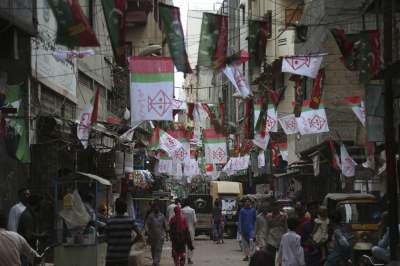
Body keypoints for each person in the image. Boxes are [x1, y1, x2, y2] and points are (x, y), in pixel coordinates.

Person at [105, 198, 142, 266]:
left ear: (116, 208)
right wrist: (130, 243)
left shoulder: (109, 221)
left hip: (111, 256)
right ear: (125, 209)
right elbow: (140, 235)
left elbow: (106, 238)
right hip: (123, 257)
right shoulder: (130, 221)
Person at [146, 200, 169, 266]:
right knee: (153, 249)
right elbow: (147, 225)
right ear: (153, 208)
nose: (156, 208)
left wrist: (167, 234)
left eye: (157, 207)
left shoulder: (162, 216)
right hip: (152, 236)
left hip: (160, 236)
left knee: (158, 249)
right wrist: (147, 231)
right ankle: (154, 260)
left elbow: (165, 226)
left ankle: (156, 262)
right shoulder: (150, 216)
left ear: (159, 208)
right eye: (155, 207)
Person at [181, 199, 197, 264]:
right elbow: (195, 221)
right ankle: (189, 259)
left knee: (183, 244)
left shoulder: (182, 210)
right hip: (191, 230)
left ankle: (182, 257)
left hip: (183, 230)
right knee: (190, 244)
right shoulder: (192, 210)